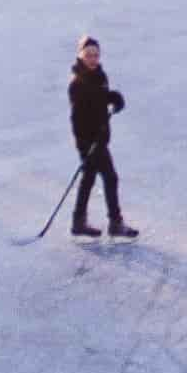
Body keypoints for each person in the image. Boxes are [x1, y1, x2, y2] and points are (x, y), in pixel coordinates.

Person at [67, 36, 137, 239]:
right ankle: (115, 223)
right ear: (80, 55)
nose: (92, 58)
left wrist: (114, 98)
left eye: (96, 54)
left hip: (99, 139)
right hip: (90, 142)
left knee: (88, 179)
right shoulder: (77, 83)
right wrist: (85, 142)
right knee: (110, 177)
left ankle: (78, 222)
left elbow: (101, 98)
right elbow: (77, 118)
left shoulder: (100, 76)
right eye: (88, 54)